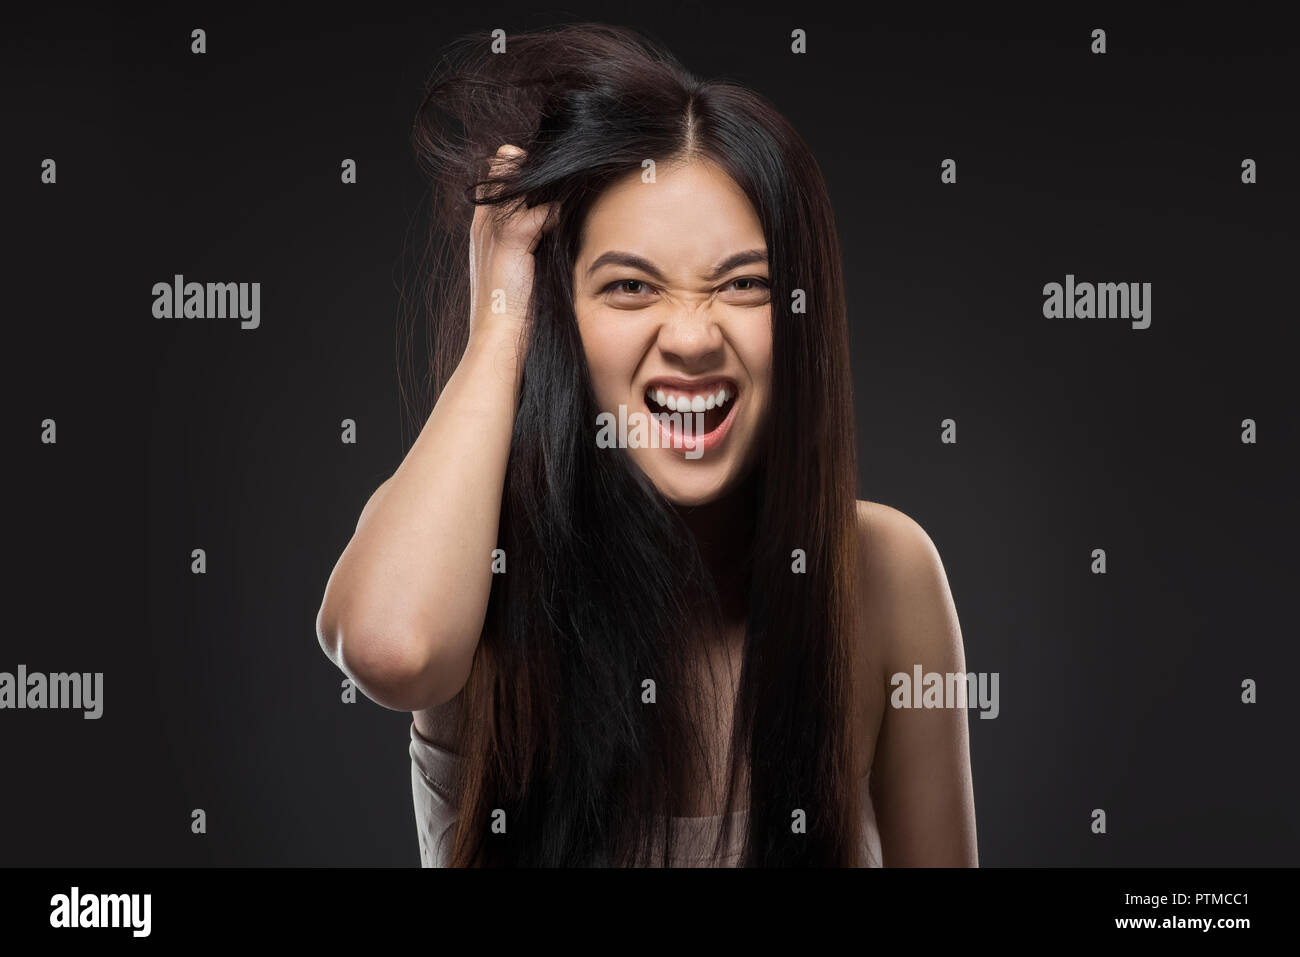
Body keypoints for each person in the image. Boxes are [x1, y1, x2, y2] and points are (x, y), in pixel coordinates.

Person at [316, 23, 977, 867]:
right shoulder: (479, 550)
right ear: (562, 315)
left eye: (743, 284)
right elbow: (391, 648)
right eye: (630, 286)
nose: (694, 336)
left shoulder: (884, 571)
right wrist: (502, 321)